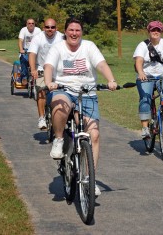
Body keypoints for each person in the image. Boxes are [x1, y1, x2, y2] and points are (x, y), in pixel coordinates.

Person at [44, 17, 118, 196]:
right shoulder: (58, 47)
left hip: (87, 93)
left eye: (77, 30)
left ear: (81, 32)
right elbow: (48, 66)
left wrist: (110, 79)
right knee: (60, 106)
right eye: (71, 30)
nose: (74, 33)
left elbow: (100, 64)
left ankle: (89, 178)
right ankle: (59, 139)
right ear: (66, 32)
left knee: (94, 134)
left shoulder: (89, 46)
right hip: (63, 89)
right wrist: (49, 82)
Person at [28, 18, 64, 130]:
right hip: (41, 69)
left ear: (56, 28)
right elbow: (32, 54)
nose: (50, 29)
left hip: (58, 70)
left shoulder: (62, 37)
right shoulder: (38, 38)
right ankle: (42, 118)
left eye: (52, 27)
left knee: (64, 92)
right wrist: (33, 69)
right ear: (43, 28)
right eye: (47, 27)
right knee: (41, 90)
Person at [18, 18, 41, 85]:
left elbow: (41, 40)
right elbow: (20, 40)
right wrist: (21, 49)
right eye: (29, 23)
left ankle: (40, 76)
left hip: (36, 50)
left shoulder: (38, 30)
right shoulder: (23, 30)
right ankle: (24, 77)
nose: (31, 25)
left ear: (34, 24)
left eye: (32, 23)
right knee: (24, 60)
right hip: (26, 50)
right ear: (26, 24)